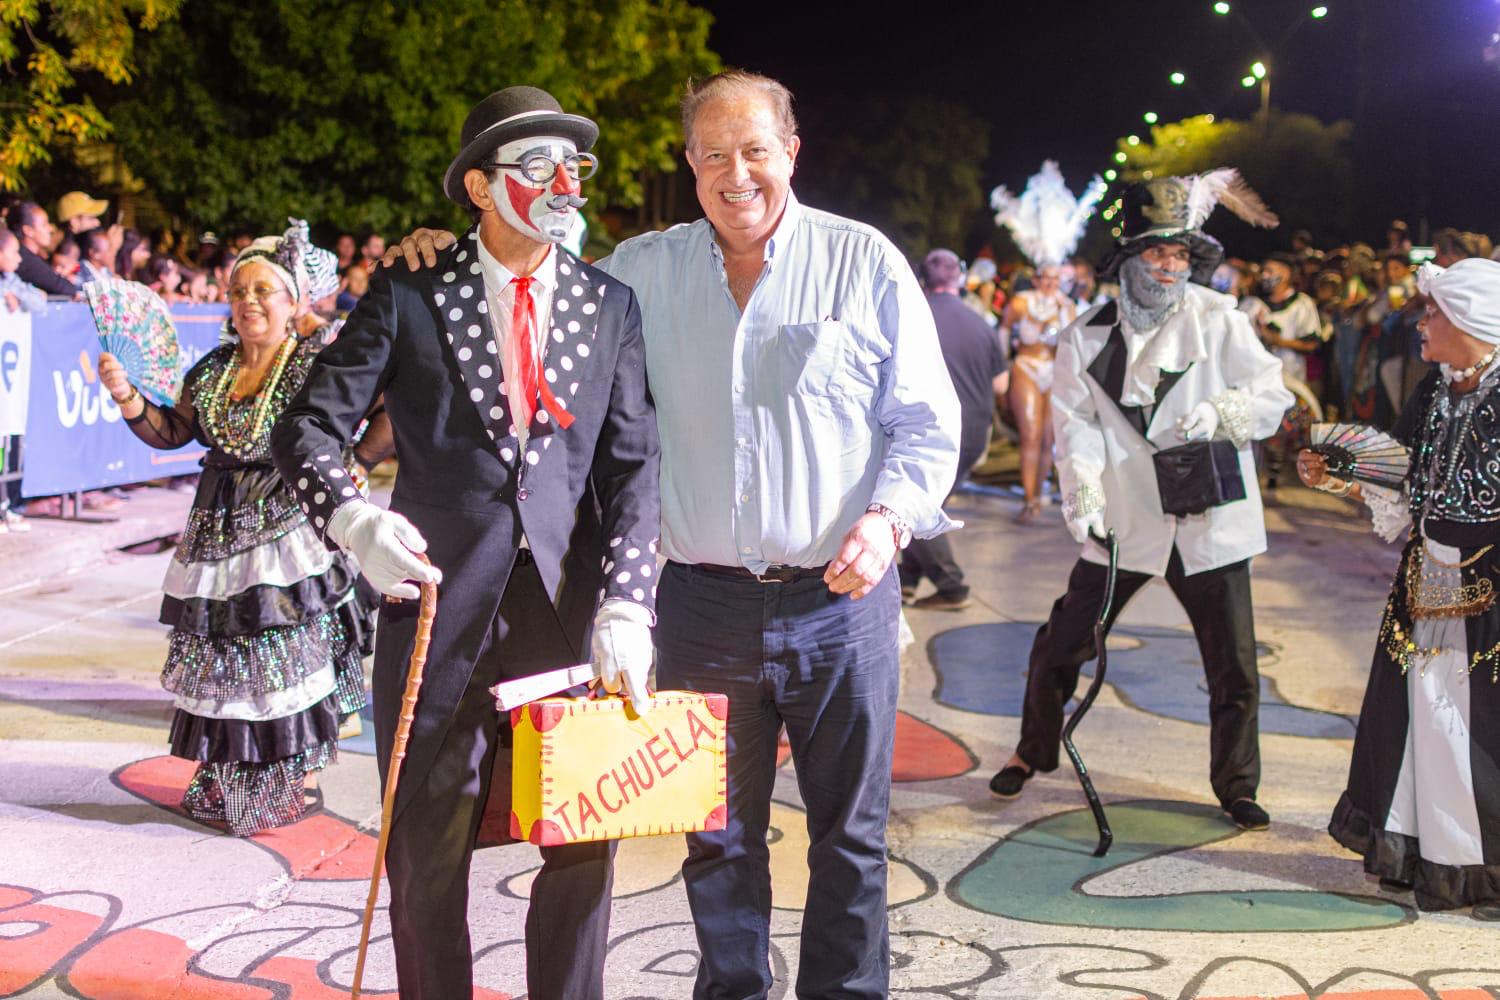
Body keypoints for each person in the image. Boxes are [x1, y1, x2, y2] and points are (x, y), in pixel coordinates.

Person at [393, 70, 962, 999]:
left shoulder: (863, 262)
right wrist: (447, 249)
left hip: (840, 604)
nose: (736, 175)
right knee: (717, 839)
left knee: (850, 839)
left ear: (791, 151)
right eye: (712, 157)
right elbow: (523, 277)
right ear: (689, 166)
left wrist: (891, 518)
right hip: (698, 608)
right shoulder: (640, 272)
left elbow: (927, 422)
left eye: (755, 152)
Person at [273, 86, 660, 1000]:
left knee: (580, 853)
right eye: (538, 166)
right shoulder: (411, 294)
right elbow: (308, 429)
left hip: (570, 622)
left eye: (574, 166)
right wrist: (355, 520)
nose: (565, 181)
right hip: (435, 614)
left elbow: (635, 467)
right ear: (481, 188)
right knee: (426, 851)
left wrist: (629, 602)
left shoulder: (611, 306)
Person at [988, 170, 1293, 833]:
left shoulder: (1220, 319)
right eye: (1157, 251)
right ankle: (1031, 750)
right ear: (1128, 258)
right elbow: (1077, 429)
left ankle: (1236, 786)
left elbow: (1275, 393)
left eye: (1180, 253)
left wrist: (1226, 410)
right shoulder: (1084, 337)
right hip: (1125, 518)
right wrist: (1086, 498)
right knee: (1061, 643)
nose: (1169, 265)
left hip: (1208, 518)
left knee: (1234, 666)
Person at [97, 232, 376, 836]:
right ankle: (229, 777)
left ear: (293, 300)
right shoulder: (215, 370)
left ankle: (284, 780)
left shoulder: (313, 363)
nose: (249, 301)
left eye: (264, 291)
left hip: (287, 532)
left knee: (283, 665)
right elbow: (173, 432)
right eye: (239, 291)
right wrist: (125, 396)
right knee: (227, 668)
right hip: (218, 530)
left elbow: (384, 410)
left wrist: (357, 460)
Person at [1305, 257, 1500, 920]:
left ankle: (1479, 863)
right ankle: (1427, 857)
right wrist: (1340, 473)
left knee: (1477, 729)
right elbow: (1408, 478)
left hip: (1492, 592)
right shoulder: (1436, 388)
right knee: (1419, 719)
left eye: (1434, 312)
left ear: (1475, 322)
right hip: (1425, 581)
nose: (1420, 322)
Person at [992, 161, 1104, 523]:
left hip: (1053, 370)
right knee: (1030, 432)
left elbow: (1075, 345)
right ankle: (1029, 500)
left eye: (1058, 278)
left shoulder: (1067, 306)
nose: (1052, 283)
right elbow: (1003, 332)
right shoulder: (1021, 302)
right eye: (1047, 277)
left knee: (1047, 440)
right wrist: (1002, 370)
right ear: (1037, 277)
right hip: (1025, 366)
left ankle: (1038, 494)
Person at [901, 248, 1007, 611]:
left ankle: (952, 585)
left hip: (927, 434)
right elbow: (1002, 386)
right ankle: (906, 581)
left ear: (922, 279)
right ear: (960, 279)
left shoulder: (911, 315)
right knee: (926, 500)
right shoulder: (982, 323)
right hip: (974, 434)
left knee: (913, 506)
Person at [0, 228, 44, 535]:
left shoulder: (12, 281)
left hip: (9, 383)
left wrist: (16, 295)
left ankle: (9, 505)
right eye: (14, 252)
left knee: (11, 441)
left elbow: (39, 301)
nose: (19, 258)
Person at [10, 202, 79, 298]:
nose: (50, 229)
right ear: (28, 231)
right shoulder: (25, 259)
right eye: (44, 224)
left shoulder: (28, 256)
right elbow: (64, 288)